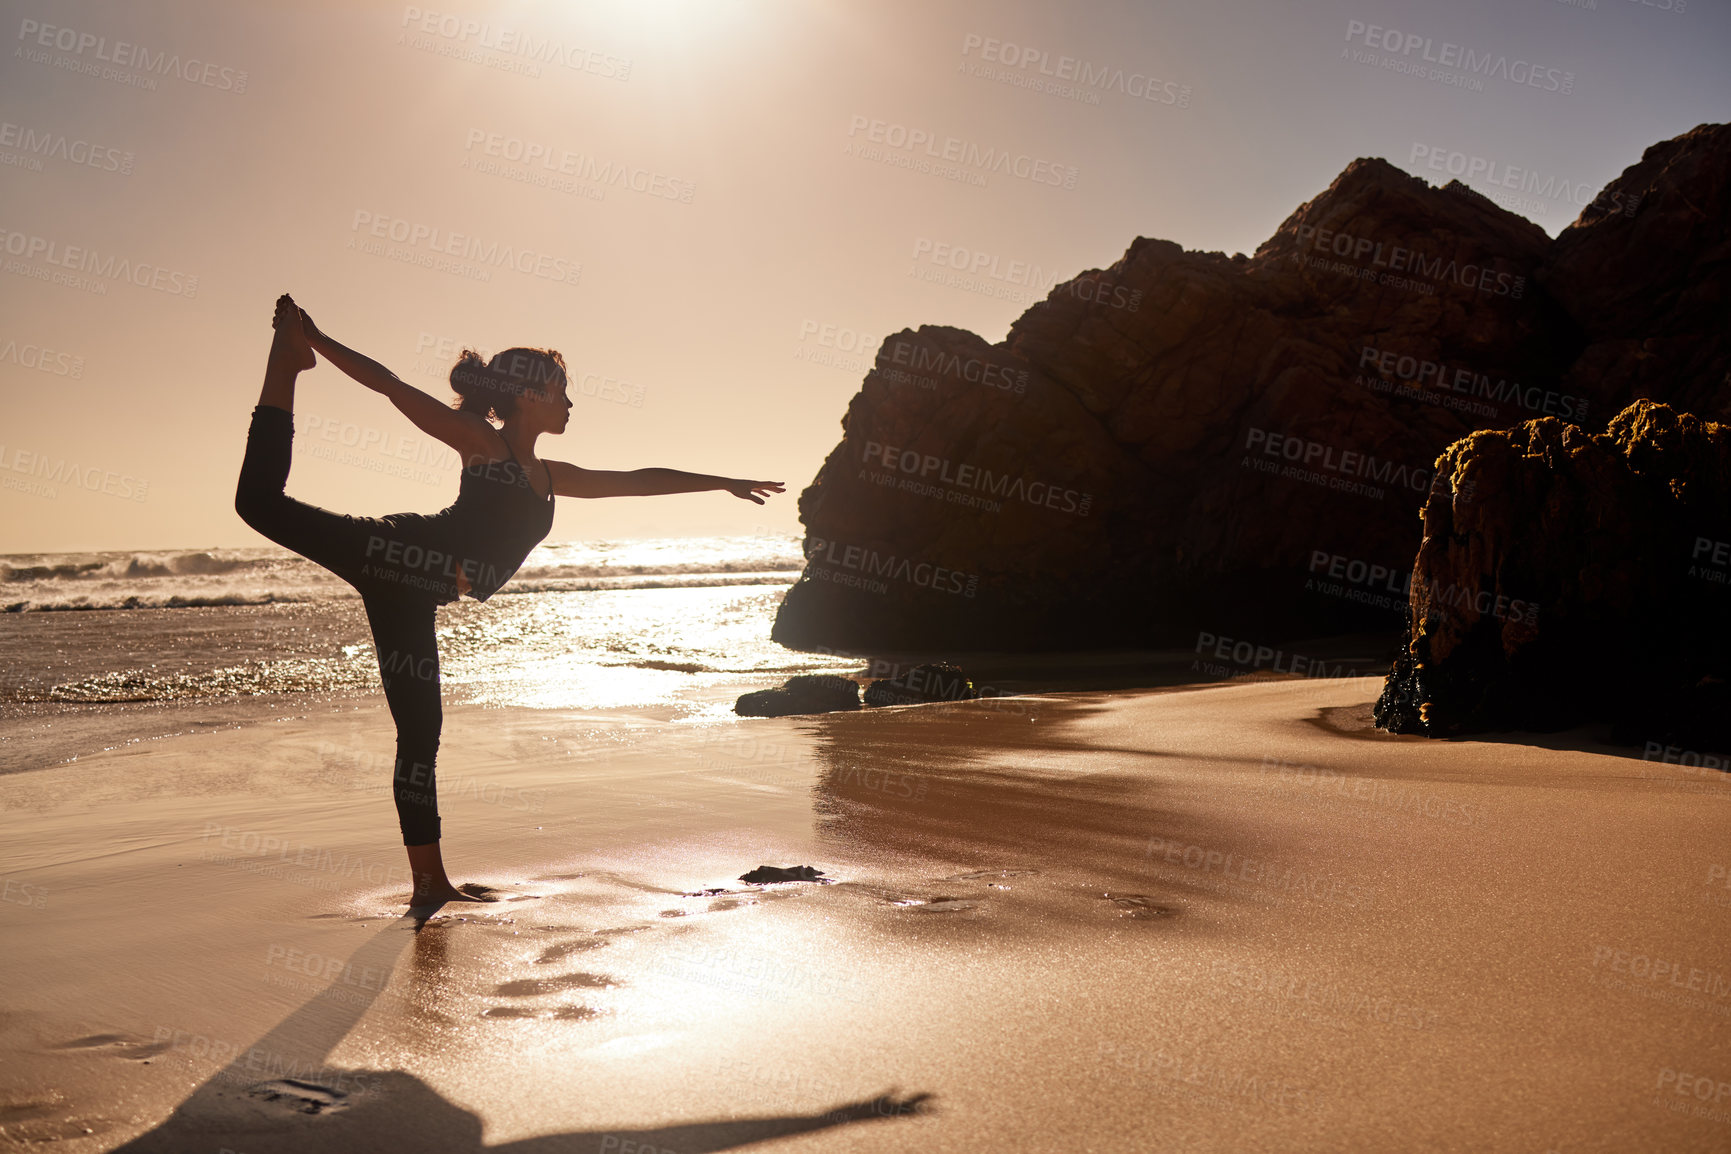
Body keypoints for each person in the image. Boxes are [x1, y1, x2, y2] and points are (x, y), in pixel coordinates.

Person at [236, 294, 783, 909]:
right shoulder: (482, 443)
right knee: (258, 504)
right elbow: (392, 388)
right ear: (529, 396)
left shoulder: (548, 476)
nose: (571, 402)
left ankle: (429, 884)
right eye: (561, 389)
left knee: (421, 734)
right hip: (393, 553)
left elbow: (639, 479)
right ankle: (287, 363)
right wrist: (318, 339)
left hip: (418, 593)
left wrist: (722, 481)